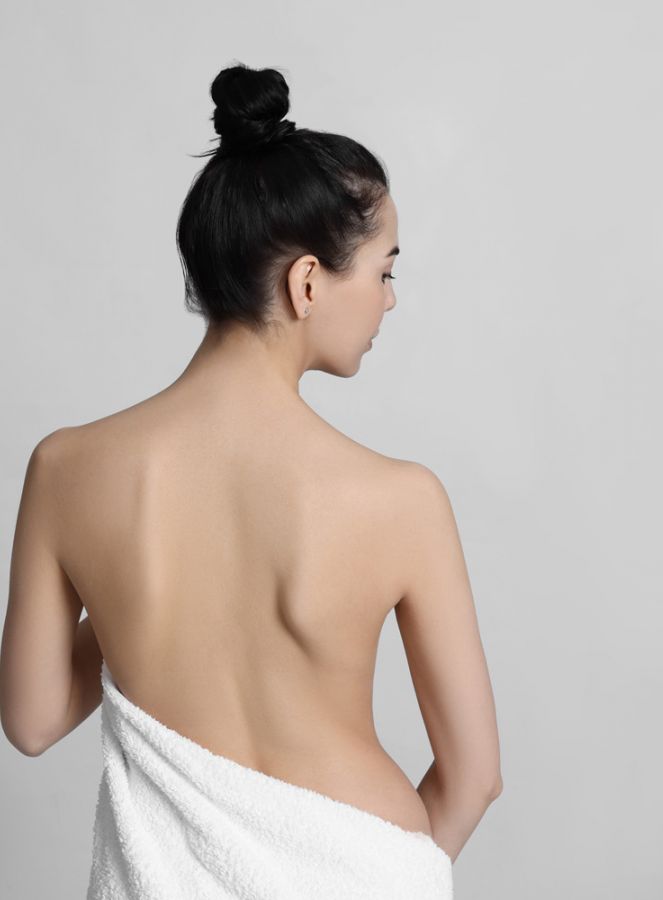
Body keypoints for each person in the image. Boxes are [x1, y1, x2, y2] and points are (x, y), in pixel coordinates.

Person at [0, 63, 502, 898]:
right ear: (307, 283)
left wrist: (133, 605)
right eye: (383, 272)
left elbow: (32, 719)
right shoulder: (403, 500)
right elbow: (475, 776)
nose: (388, 300)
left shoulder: (66, 470)